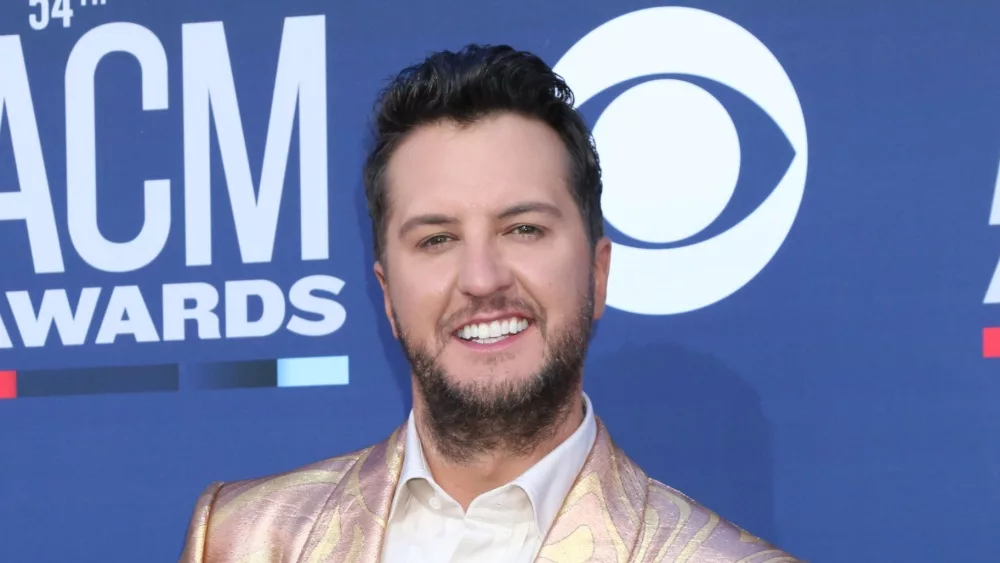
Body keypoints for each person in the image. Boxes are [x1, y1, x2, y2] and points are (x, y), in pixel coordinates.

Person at [179, 44, 802, 563]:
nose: (481, 279)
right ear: (387, 296)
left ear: (598, 271)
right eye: (437, 239)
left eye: (523, 229)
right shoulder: (243, 539)